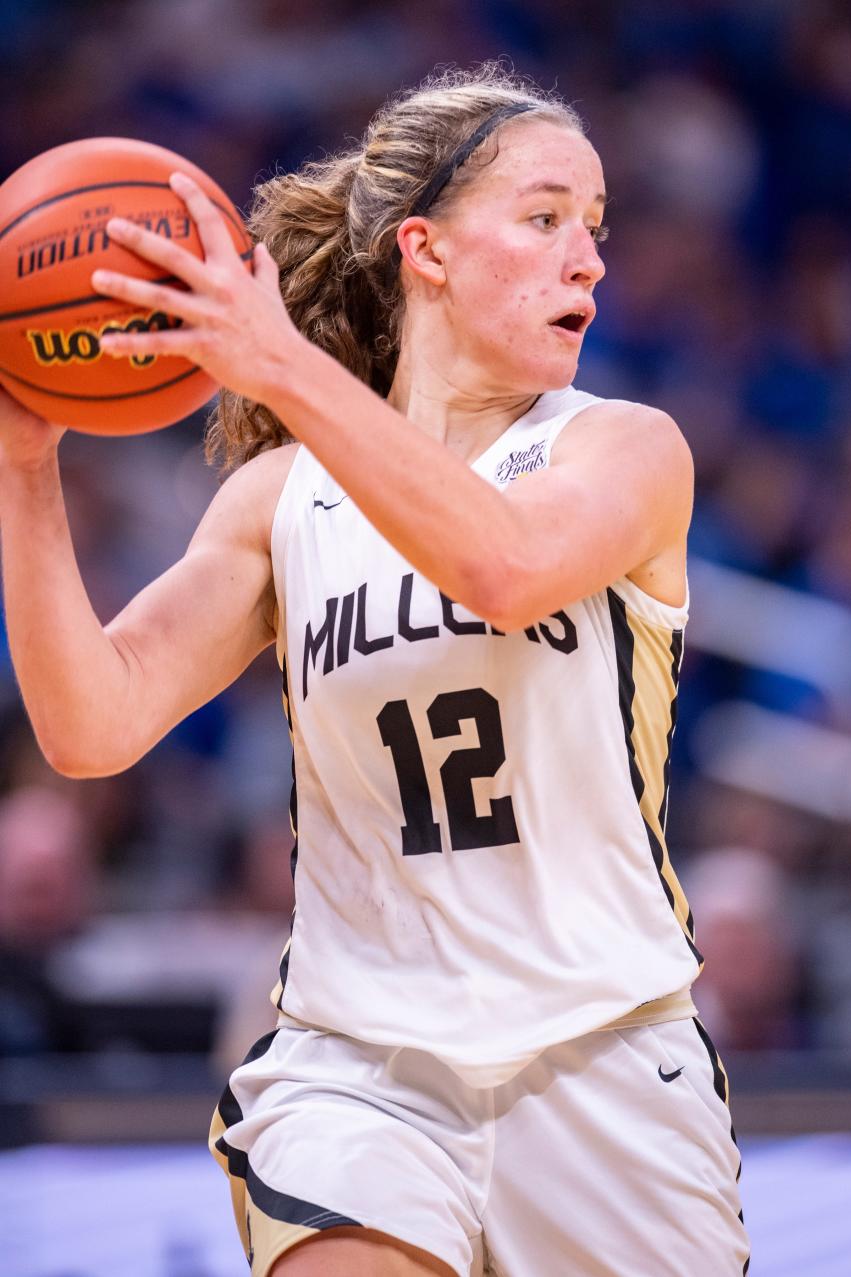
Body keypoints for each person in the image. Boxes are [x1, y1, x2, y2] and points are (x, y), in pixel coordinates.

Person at [0, 64, 750, 1277]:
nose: (589, 259)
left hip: (606, 1053)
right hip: (361, 1065)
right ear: (427, 250)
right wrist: (23, 453)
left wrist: (283, 364)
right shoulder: (277, 501)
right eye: (547, 215)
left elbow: (505, 566)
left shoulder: (624, 449)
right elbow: (90, 725)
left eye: (597, 226)